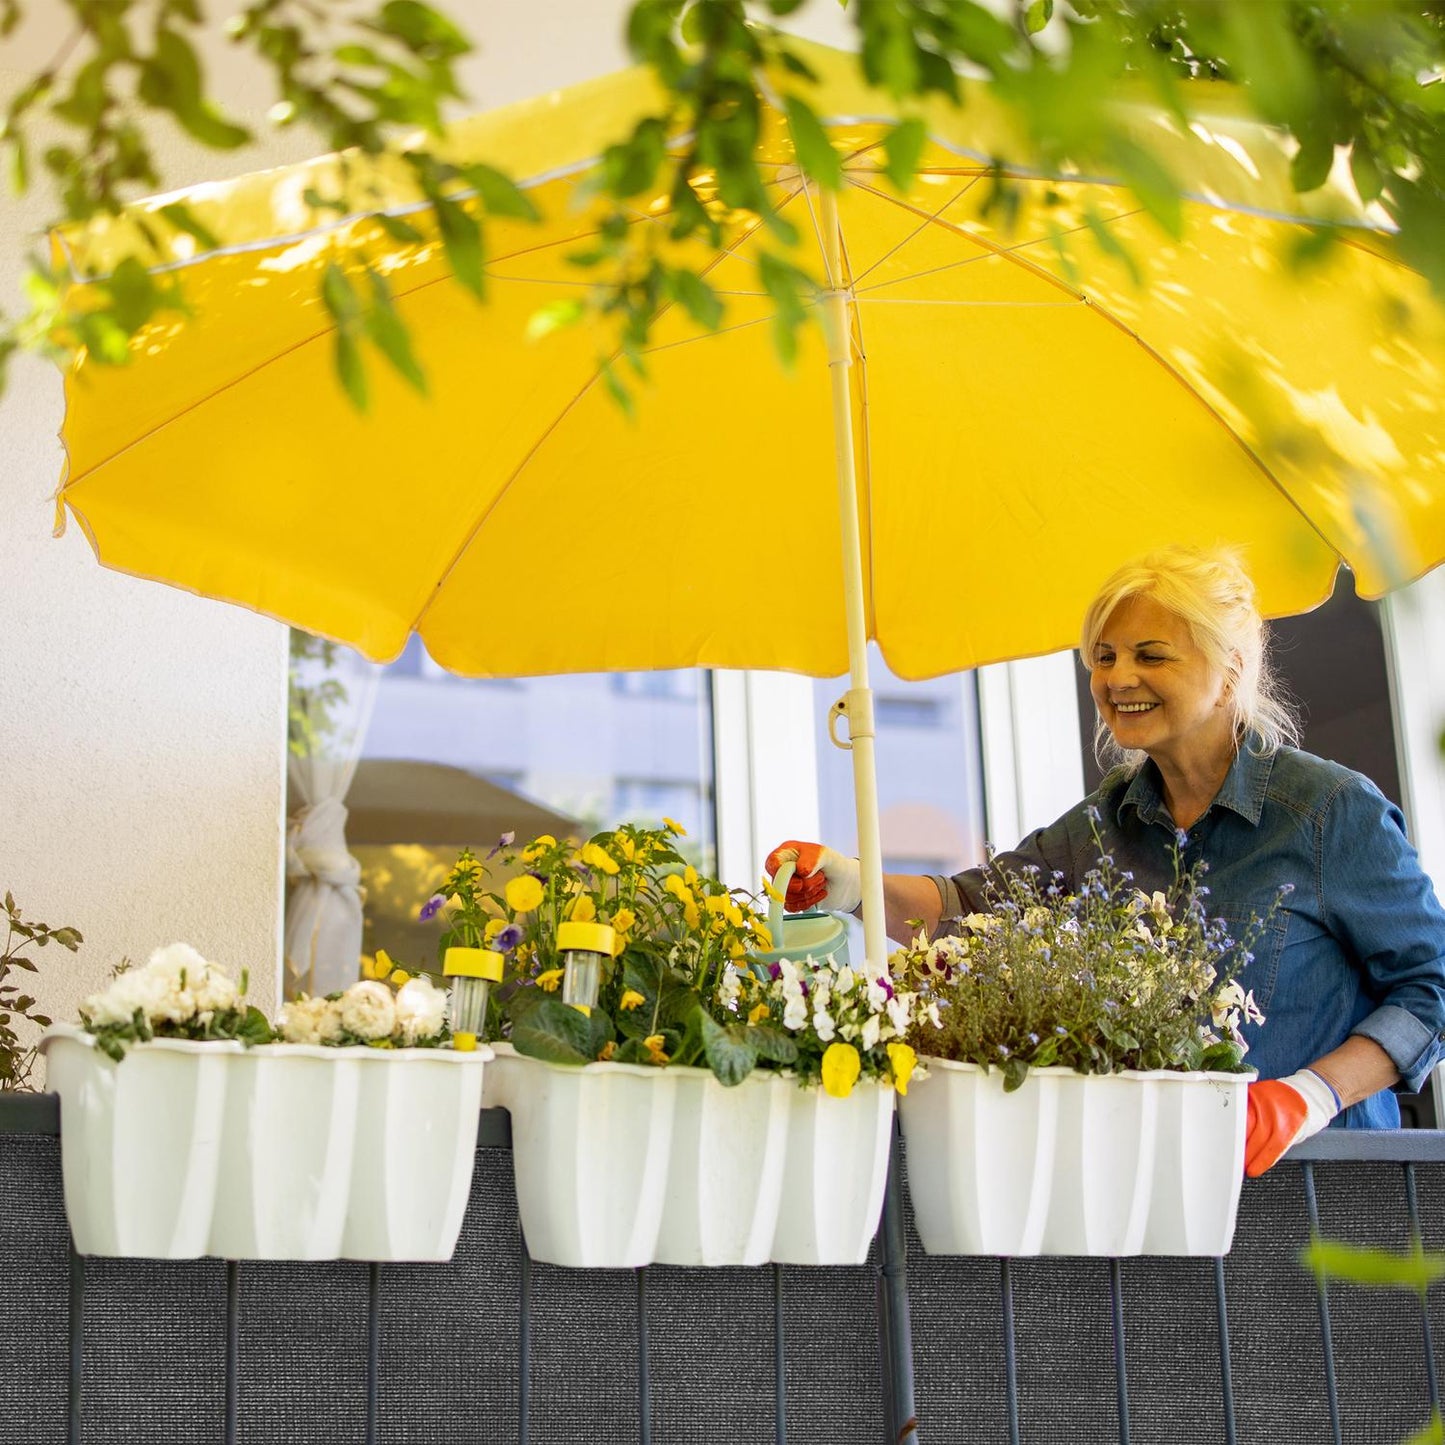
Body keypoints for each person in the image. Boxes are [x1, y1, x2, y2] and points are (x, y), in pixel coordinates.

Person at [768, 546, 1445, 1177]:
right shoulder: (1106, 820)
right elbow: (965, 912)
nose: (1118, 678)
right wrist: (850, 881)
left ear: (1230, 666)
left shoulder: (1328, 811)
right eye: (1104, 656)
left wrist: (1307, 1097)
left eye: (1150, 655)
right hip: (1151, 1191)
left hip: (1321, 1192)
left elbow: (1431, 987)